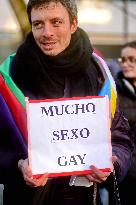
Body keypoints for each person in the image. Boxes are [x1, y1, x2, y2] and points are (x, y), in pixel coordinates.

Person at [0, 0, 133, 204]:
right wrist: (17, 165)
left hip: (85, 198)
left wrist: (113, 163)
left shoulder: (99, 73)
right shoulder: (9, 76)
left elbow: (121, 139)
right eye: (38, 24)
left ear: (73, 24)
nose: (47, 33)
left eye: (56, 22)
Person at [116, 41, 136, 205]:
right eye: (123, 59)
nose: (126, 64)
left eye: (131, 59)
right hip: (127, 175)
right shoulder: (113, 92)